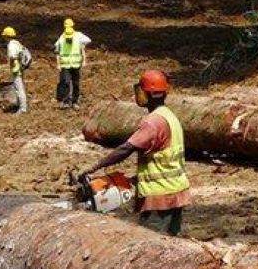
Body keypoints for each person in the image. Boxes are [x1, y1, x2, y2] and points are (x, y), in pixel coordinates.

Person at [80, 70, 191, 236]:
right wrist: (136, 178)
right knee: (172, 244)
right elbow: (163, 156)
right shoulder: (169, 116)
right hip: (175, 190)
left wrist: (95, 166)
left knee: (152, 245)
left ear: (148, 93)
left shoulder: (152, 122)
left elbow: (127, 148)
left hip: (158, 195)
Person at [54, 18, 90, 109]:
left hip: (76, 65)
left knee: (76, 84)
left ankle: (75, 101)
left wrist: (84, 60)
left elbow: (87, 42)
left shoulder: (78, 36)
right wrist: (58, 64)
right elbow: (57, 51)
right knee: (65, 82)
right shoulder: (62, 37)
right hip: (65, 65)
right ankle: (66, 101)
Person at [2, 27, 27, 114]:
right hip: (20, 67)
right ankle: (19, 104)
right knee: (19, 87)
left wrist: (11, 64)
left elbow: (13, 56)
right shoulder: (17, 43)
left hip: (16, 68)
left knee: (19, 88)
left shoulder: (11, 45)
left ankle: (23, 108)